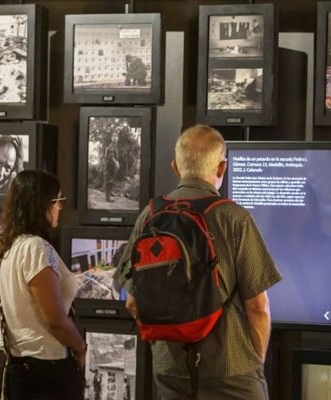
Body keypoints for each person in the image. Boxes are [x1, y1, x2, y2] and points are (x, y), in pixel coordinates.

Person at [114, 125, 282, 400]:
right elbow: (258, 307)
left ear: (175, 167)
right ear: (222, 167)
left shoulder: (150, 215)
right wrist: (254, 365)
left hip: (170, 370)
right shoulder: (234, 218)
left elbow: (132, 303)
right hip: (230, 370)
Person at [0, 169, 87, 400]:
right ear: (42, 205)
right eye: (58, 201)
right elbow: (55, 319)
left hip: (9, 362)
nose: (60, 207)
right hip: (40, 368)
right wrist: (81, 348)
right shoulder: (36, 248)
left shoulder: (2, 245)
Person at [103, 135, 120, 202]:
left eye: (116, 137)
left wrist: (116, 163)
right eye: (114, 137)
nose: (115, 138)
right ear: (112, 139)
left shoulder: (115, 146)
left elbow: (115, 156)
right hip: (109, 166)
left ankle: (109, 195)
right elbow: (111, 156)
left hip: (112, 166)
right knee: (108, 181)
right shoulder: (111, 145)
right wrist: (116, 162)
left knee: (111, 181)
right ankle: (108, 198)